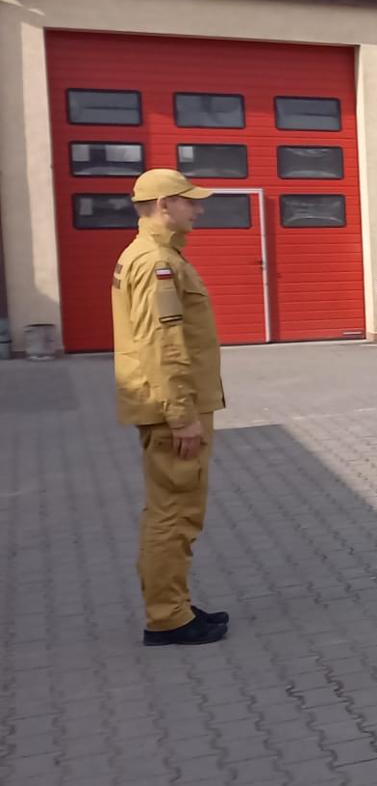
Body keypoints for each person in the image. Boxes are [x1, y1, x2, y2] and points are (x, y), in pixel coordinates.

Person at [114, 168, 229, 646]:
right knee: (174, 514)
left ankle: (174, 604)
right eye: (190, 201)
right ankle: (167, 617)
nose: (197, 209)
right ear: (164, 204)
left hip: (168, 403)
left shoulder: (153, 256)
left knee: (174, 510)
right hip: (172, 409)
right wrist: (181, 416)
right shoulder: (156, 262)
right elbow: (163, 345)